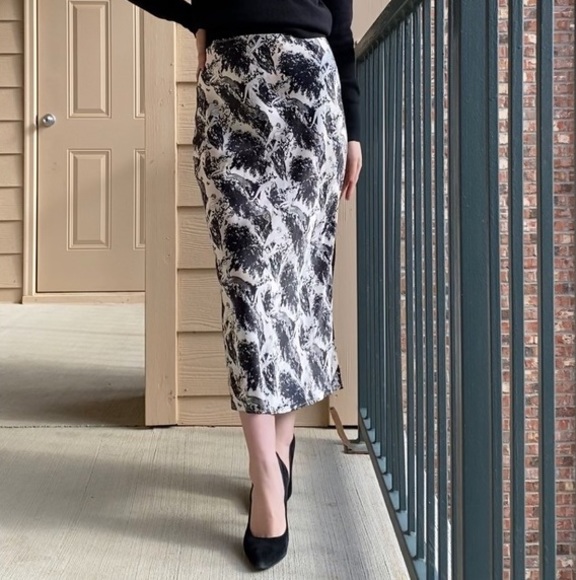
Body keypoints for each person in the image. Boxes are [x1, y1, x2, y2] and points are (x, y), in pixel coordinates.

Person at [127, 0, 362, 571]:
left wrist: (354, 131)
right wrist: (195, 17)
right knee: (247, 290)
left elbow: (343, 34)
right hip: (232, 94)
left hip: (309, 104)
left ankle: (279, 447)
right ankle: (265, 473)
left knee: (295, 291)